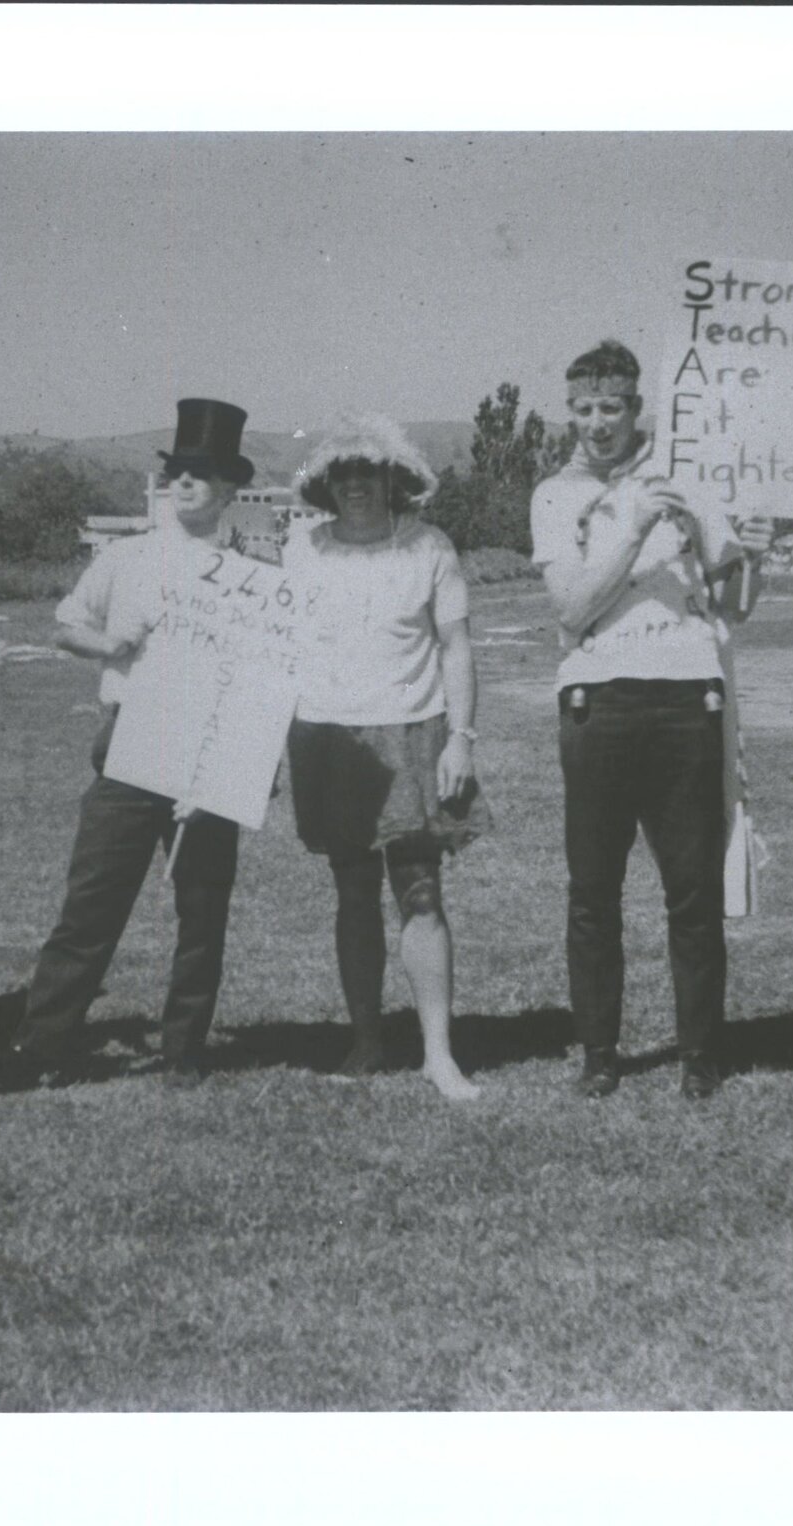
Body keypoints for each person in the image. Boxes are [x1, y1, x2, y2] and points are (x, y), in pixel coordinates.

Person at [529, 340, 772, 1102]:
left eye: (612, 408)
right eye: (583, 409)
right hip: (596, 700)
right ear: (570, 412)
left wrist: (747, 554)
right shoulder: (553, 495)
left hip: (685, 696)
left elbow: (734, 605)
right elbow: (571, 609)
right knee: (593, 889)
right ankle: (600, 1051)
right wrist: (633, 528)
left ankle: (700, 1051)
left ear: (640, 409)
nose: (597, 423)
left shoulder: (689, 478)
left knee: (692, 888)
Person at [0, 398, 253, 1088]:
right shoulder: (129, 556)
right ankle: (41, 1045)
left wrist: (238, 767)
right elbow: (63, 623)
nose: (187, 482)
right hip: (130, 742)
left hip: (210, 750)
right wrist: (109, 643)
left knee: (202, 906)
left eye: (204, 473)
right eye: (179, 470)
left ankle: (184, 1049)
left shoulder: (253, 576)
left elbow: (262, 678)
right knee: (92, 901)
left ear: (231, 488)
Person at [286, 415, 488, 1097]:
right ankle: (366, 1041)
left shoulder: (429, 547)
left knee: (421, 896)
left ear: (393, 480)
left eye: (367, 473)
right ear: (326, 486)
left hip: (412, 734)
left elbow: (455, 645)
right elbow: (275, 649)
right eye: (341, 476)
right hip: (329, 739)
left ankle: (439, 1054)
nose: (355, 487)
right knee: (352, 894)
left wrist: (461, 736)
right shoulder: (302, 549)